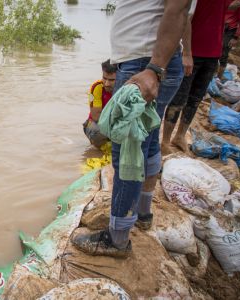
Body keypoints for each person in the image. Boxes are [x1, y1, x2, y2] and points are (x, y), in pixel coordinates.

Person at [72, 0, 191, 258]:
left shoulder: (146, 66)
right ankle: (143, 214)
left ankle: (117, 239)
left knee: (127, 156)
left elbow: (179, 7)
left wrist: (154, 68)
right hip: (149, 62)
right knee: (146, 146)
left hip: (145, 64)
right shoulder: (96, 88)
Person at [162, 0, 230, 155]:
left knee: (195, 99)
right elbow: (185, 16)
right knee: (179, 99)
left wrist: (218, 55)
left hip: (213, 52)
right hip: (193, 51)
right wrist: (186, 52)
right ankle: (165, 140)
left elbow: (220, 18)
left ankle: (179, 136)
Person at [83, 59, 117, 148]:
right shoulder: (97, 87)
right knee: (96, 133)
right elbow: (96, 116)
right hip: (97, 124)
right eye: (104, 78)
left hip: (114, 123)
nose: (106, 83)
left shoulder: (125, 87)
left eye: (111, 80)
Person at [217, 0, 240, 80]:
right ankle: (213, 73)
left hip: (230, 29)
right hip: (219, 25)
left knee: (224, 51)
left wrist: (236, 37)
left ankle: (220, 76)